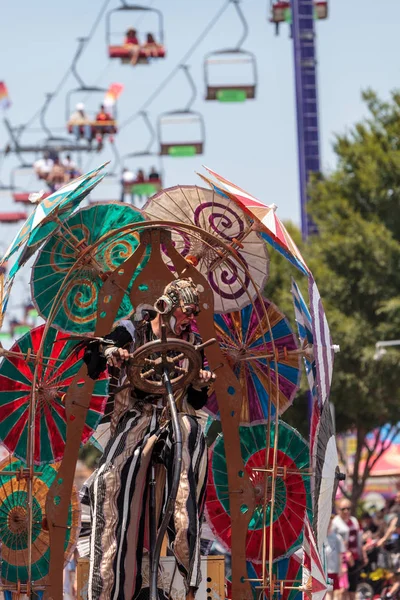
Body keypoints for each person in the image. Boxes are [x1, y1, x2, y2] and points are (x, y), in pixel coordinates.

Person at [80, 278, 214, 600]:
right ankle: (110, 585)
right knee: (110, 480)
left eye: (194, 313)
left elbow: (195, 402)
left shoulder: (192, 342)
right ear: (167, 307)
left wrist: (199, 382)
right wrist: (112, 352)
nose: (190, 319)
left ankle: (186, 559)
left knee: (192, 435)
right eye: (187, 311)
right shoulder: (132, 329)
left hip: (174, 419)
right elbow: (95, 354)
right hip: (136, 418)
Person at [332, 500, 368, 600]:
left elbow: (359, 540)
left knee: (353, 587)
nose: (346, 511)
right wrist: (346, 553)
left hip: (355, 558)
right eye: (343, 509)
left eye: (348, 508)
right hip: (341, 560)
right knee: (342, 588)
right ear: (338, 510)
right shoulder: (335, 522)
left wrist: (363, 555)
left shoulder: (354, 520)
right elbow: (333, 542)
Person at [326, 515, 346, 600]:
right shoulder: (320, 536)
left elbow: (340, 553)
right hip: (324, 569)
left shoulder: (337, 537)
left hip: (333, 569)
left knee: (332, 591)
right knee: (327, 591)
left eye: (330, 522)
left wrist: (341, 567)